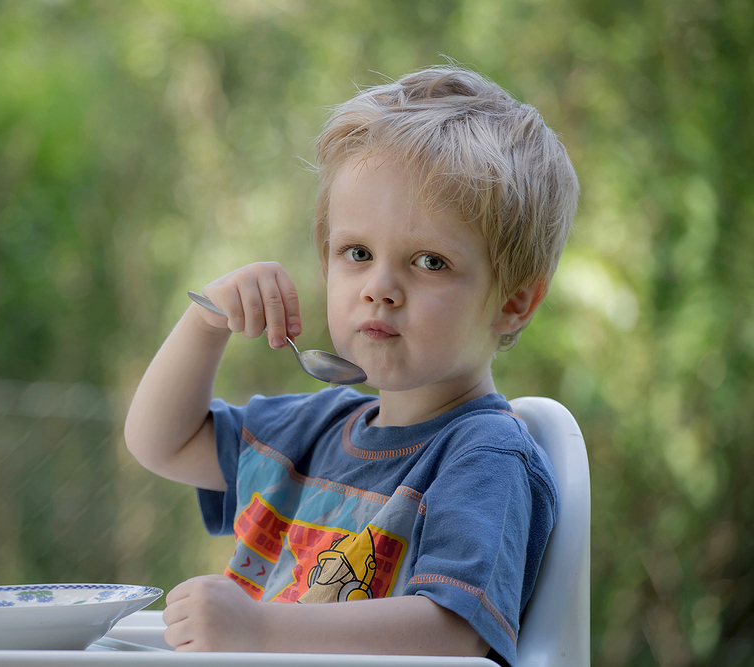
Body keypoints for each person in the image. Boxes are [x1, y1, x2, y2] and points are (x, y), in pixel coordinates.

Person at [123, 64, 579, 667]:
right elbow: (161, 442)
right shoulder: (309, 434)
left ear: (514, 301)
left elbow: (452, 632)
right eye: (357, 253)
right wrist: (207, 323)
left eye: (430, 262)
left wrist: (258, 630)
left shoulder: (483, 456)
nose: (380, 288)